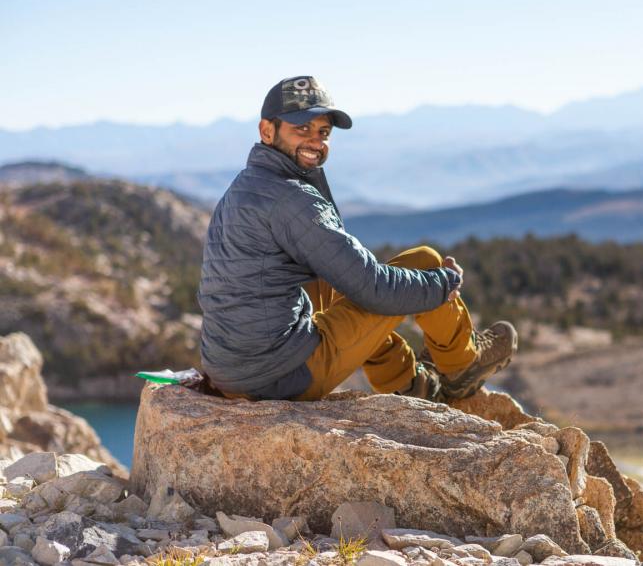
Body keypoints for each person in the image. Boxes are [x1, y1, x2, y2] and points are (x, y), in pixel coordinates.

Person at [197, 75, 516, 402]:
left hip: (230, 369)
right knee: (424, 262)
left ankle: (408, 383)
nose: (315, 142)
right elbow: (373, 287)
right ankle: (463, 364)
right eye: (301, 129)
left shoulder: (246, 184)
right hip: (280, 377)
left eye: (323, 132)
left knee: (331, 279)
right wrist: (442, 283)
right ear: (267, 131)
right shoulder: (290, 198)